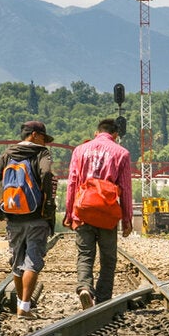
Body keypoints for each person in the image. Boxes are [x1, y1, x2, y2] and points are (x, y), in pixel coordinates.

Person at [0, 121, 57, 320]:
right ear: (34, 135)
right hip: (36, 216)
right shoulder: (42, 153)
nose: (45, 142)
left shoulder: (7, 153)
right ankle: (24, 307)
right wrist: (48, 203)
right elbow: (46, 174)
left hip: (13, 216)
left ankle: (20, 303)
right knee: (33, 259)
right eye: (43, 137)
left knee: (17, 261)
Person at [63, 118, 133, 309]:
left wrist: (70, 212)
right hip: (107, 214)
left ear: (96, 132)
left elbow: (72, 183)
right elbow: (125, 188)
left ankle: (85, 287)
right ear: (116, 135)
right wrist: (127, 219)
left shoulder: (79, 150)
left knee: (85, 254)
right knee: (108, 258)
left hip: (83, 210)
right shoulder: (122, 153)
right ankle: (103, 300)